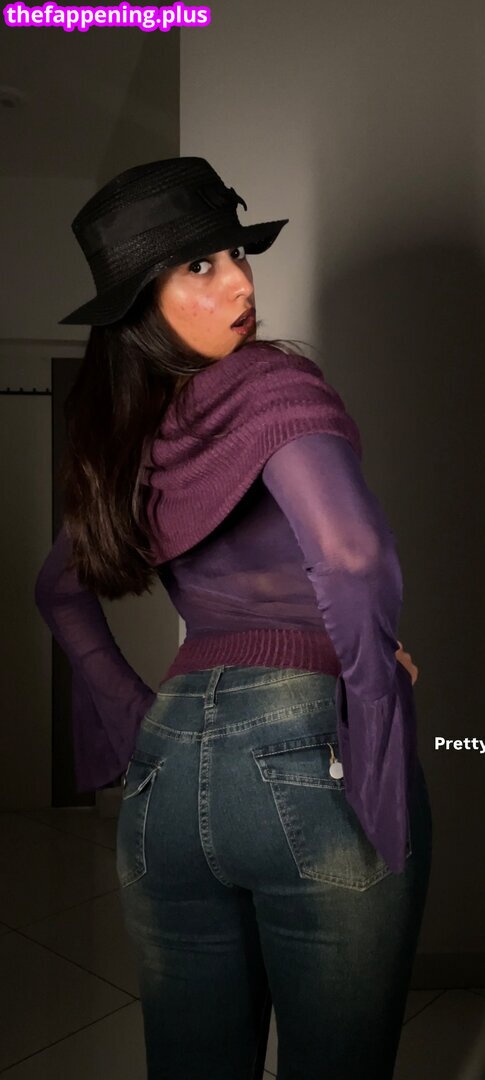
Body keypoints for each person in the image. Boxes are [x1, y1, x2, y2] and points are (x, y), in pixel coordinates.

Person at [34, 156, 433, 1080]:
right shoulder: (271, 384)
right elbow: (351, 558)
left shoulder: (131, 437)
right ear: (141, 307)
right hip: (306, 752)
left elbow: (58, 590)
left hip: (166, 772)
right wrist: (373, 692)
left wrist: (139, 721)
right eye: (200, 267)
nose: (242, 283)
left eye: (235, 255)